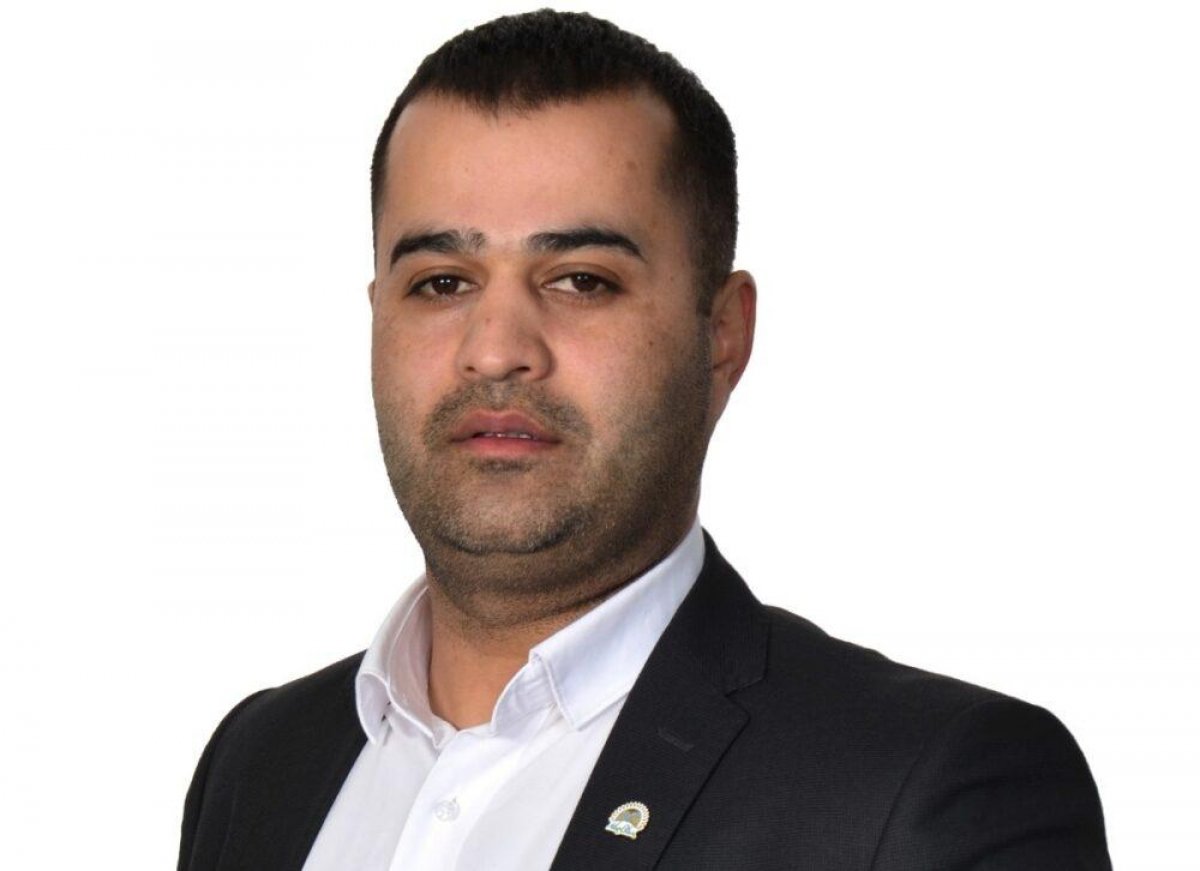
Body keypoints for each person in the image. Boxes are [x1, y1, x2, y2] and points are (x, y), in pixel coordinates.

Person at [178, 10, 1110, 870]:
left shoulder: (931, 790)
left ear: (722, 336)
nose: (495, 349)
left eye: (581, 279)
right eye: (441, 282)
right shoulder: (259, 763)